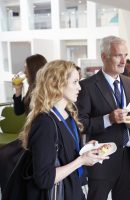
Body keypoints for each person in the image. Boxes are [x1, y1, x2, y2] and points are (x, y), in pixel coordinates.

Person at [19, 60, 105, 199]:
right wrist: (81, 160)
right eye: (75, 82)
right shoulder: (44, 124)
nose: (80, 88)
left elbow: (66, 153)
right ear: (57, 84)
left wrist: (85, 149)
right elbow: (44, 179)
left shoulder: (68, 115)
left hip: (73, 189)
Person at [76, 36, 130, 200]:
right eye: (118, 55)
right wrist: (108, 119)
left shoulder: (129, 82)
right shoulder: (87, 86)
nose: (123, 61)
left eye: (125, 55)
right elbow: (80, 124)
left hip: (129, 158)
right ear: (104, 56)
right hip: (102, 160)